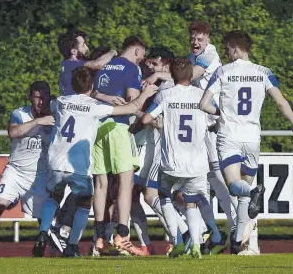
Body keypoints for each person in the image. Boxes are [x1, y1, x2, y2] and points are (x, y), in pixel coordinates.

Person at [32, 66, 158, 257]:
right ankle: (72, 246)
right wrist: (145, 93)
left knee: (54, 197)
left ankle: (43, 232)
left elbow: (43, 108)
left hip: (55, 162)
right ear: (91, 85)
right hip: (77, 166)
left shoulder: (60, 102)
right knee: (84, 201)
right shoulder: (93, 106)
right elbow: (131, 108)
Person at [199, 30, 293, 254]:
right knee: (244, 194)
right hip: (252, 138)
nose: (226, 52)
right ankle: (238, 241)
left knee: (235, 185)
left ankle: (254, 194)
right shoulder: (264, 72)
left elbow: (203, 104)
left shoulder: (222, 72)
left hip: (229, 136)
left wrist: (221, 113)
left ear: (235, 48)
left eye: (227, 48)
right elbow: (281, 101)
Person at [142, 57, 227, 259]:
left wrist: (158, 122)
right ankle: (196, 245)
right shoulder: (201, 95)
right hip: (196, 163)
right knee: (192, 202)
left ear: (172, 75)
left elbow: (146, 119)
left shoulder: (166, 95)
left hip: (170, 162)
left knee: (164, 197)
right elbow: (217, 117)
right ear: (191, 75)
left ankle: (178, 240)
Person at [0, 81, 55, 258]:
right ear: (30, 98)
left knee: (45, 220)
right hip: (16, 172)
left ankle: (54, 253)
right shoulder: (20, 113)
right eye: (38, 97)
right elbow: (13, 132)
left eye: (46, 96)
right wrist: (39, 121)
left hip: (39, 176)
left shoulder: (56, 115)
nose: (42, 101)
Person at [130, 47, 191, 255]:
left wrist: (133, 109)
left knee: (152, 196)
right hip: (152, 145)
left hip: (161, 148)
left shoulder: (165, 89)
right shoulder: (171, 85)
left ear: (166, 67)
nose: (150, 70)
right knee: (133, 194)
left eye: (155, 65)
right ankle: (150, 244)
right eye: (149, 66)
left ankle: (188, 234)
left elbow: (151, 119)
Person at [92, 36, 146, 255]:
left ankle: (99, 239)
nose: (142, 60)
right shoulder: (132, 69)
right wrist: (146, 97)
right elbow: (131, 104)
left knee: (101, 184)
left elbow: (94, 94)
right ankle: (122, 235)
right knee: (126, 182)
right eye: (142, 55)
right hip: (117, 126)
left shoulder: (102, 66)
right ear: (136, 50)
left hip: (96, 126)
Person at [58, 29, 117, 96]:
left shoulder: (67, 64)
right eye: (83, 45)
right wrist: (113, 52)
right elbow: (98, 64)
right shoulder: (71, 64)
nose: (87, 48)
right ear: (73, 51)